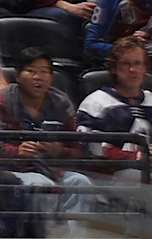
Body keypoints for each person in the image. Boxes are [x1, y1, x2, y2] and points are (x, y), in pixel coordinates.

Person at [0, 48, 96, 215]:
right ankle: (39, 238)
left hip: (49, 168)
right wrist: (17, 151)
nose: (38, 77)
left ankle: (72, 237)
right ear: (17, 76)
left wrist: (59, 150)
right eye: (31, 71)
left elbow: (78, 149)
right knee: (43, 186)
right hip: (10, 169)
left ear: (51, 77)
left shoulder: (61, 104)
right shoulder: (3, 100)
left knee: (81, 182)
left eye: (44, 71)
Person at [75, 33, 152, 189]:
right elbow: (91, 151)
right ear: (114, 68)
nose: (133, 70)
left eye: (138, 63)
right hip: (113, 174)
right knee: (142, 180)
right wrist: (138, 157)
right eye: (126, 64)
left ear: (145, 67)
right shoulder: (96, 103)